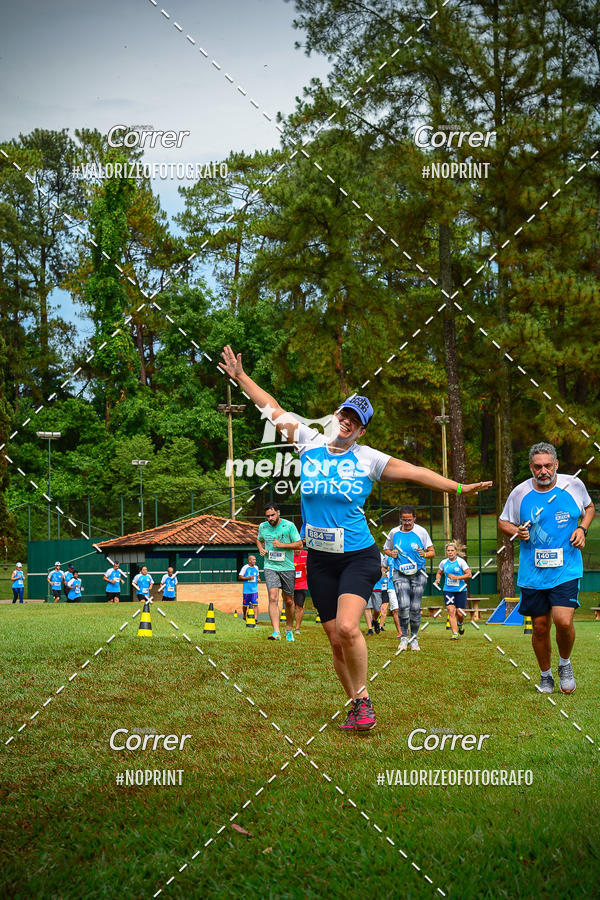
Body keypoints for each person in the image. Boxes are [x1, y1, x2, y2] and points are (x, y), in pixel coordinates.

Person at [219, 344, 491, 733]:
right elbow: (273, 408)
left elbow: (417, 471)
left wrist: (459, 489)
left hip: (357, 556)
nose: (347, 421)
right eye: (344, 414)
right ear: (336, 416)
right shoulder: (308, 443)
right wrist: (241, 378)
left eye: (355, 420)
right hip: (319, 560)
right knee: (333, 639)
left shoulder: (368, 459)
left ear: (362, 430)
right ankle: (355, 703)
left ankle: (363, 701)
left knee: (348, 628)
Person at [499, 441, 595, 694]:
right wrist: (516, 531)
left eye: (548, 466)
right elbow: (503, 522)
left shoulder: (573, 485)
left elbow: (589, 508)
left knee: (563, 621)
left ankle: (565, 664)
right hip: (533, 572)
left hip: (567, 567)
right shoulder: (520, 493)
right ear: (531, 467)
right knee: (540, 627)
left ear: (556, 465)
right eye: (538, 466)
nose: (543, 471)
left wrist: (582, 529)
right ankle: (545, 675)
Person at [384, 506, 435, 652]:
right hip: (400, 573)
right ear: (400, 518)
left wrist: (424, 554)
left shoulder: (421, 532)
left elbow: (432, 552)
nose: (407, 523)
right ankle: (404, 638)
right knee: (404, 605)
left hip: (419, 574)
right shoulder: (394, 532)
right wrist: (391, 553)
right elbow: (386, 549)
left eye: (409, 520)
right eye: (404, 520)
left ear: (414, 518)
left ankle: (414, 639)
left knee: (414, 608)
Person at [257, 503, 303, 641]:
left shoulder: (289, 526)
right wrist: (261, 549)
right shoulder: (263, 527)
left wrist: (282, 545)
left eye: (272, 515)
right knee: (272, 597)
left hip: (287, 567)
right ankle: (276, 631)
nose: (270, 518)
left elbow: (299, 544)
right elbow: (259, 540)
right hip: (270, 566)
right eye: (267, 516)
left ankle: (289, 629)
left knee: (289, 601)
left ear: (278, 513)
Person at [435, 542, 472, 640]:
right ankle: (455, 634)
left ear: (456, 551)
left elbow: (469, 574)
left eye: (452, 550)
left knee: (460, 613)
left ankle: (460, 623)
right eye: (448, 550)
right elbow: (439, 573)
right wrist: (438, 579)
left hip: (460, 590)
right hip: (448, 590)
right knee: (451, 611)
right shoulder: (443, 563)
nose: (450, 552)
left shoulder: (461, 562)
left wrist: (457, 577)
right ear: (446, 552)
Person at [379, 554, 401, 637]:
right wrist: (384, 572)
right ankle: (400, 632)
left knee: (405, 609)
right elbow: (383, 567)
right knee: (395, 610)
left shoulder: (404, 552)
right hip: (391, 586)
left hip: (404, 586)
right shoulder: (387, 556)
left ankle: (405, 629)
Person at [238, 554, 261, 621]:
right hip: (246, 590)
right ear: (249, 560)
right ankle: (244, 616)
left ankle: (256, 618)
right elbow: (239, 577)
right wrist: (248, 578)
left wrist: (258, 579)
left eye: (255, 560)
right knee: (245, 605)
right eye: (254, 560)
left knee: (255, 604)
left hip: (254, 590)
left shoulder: (256, 567)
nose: (255, 561)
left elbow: (258, 576)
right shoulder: (245, 567)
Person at [293, 546, 308, 634]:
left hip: (302, 584)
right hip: (290, 584)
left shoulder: (306, 555)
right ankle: (289, 626)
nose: (297, 551)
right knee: (289, 605)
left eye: (299, 549)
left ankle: (297, 628)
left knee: (299, 606)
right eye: (295, 549)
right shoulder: (289, 555)